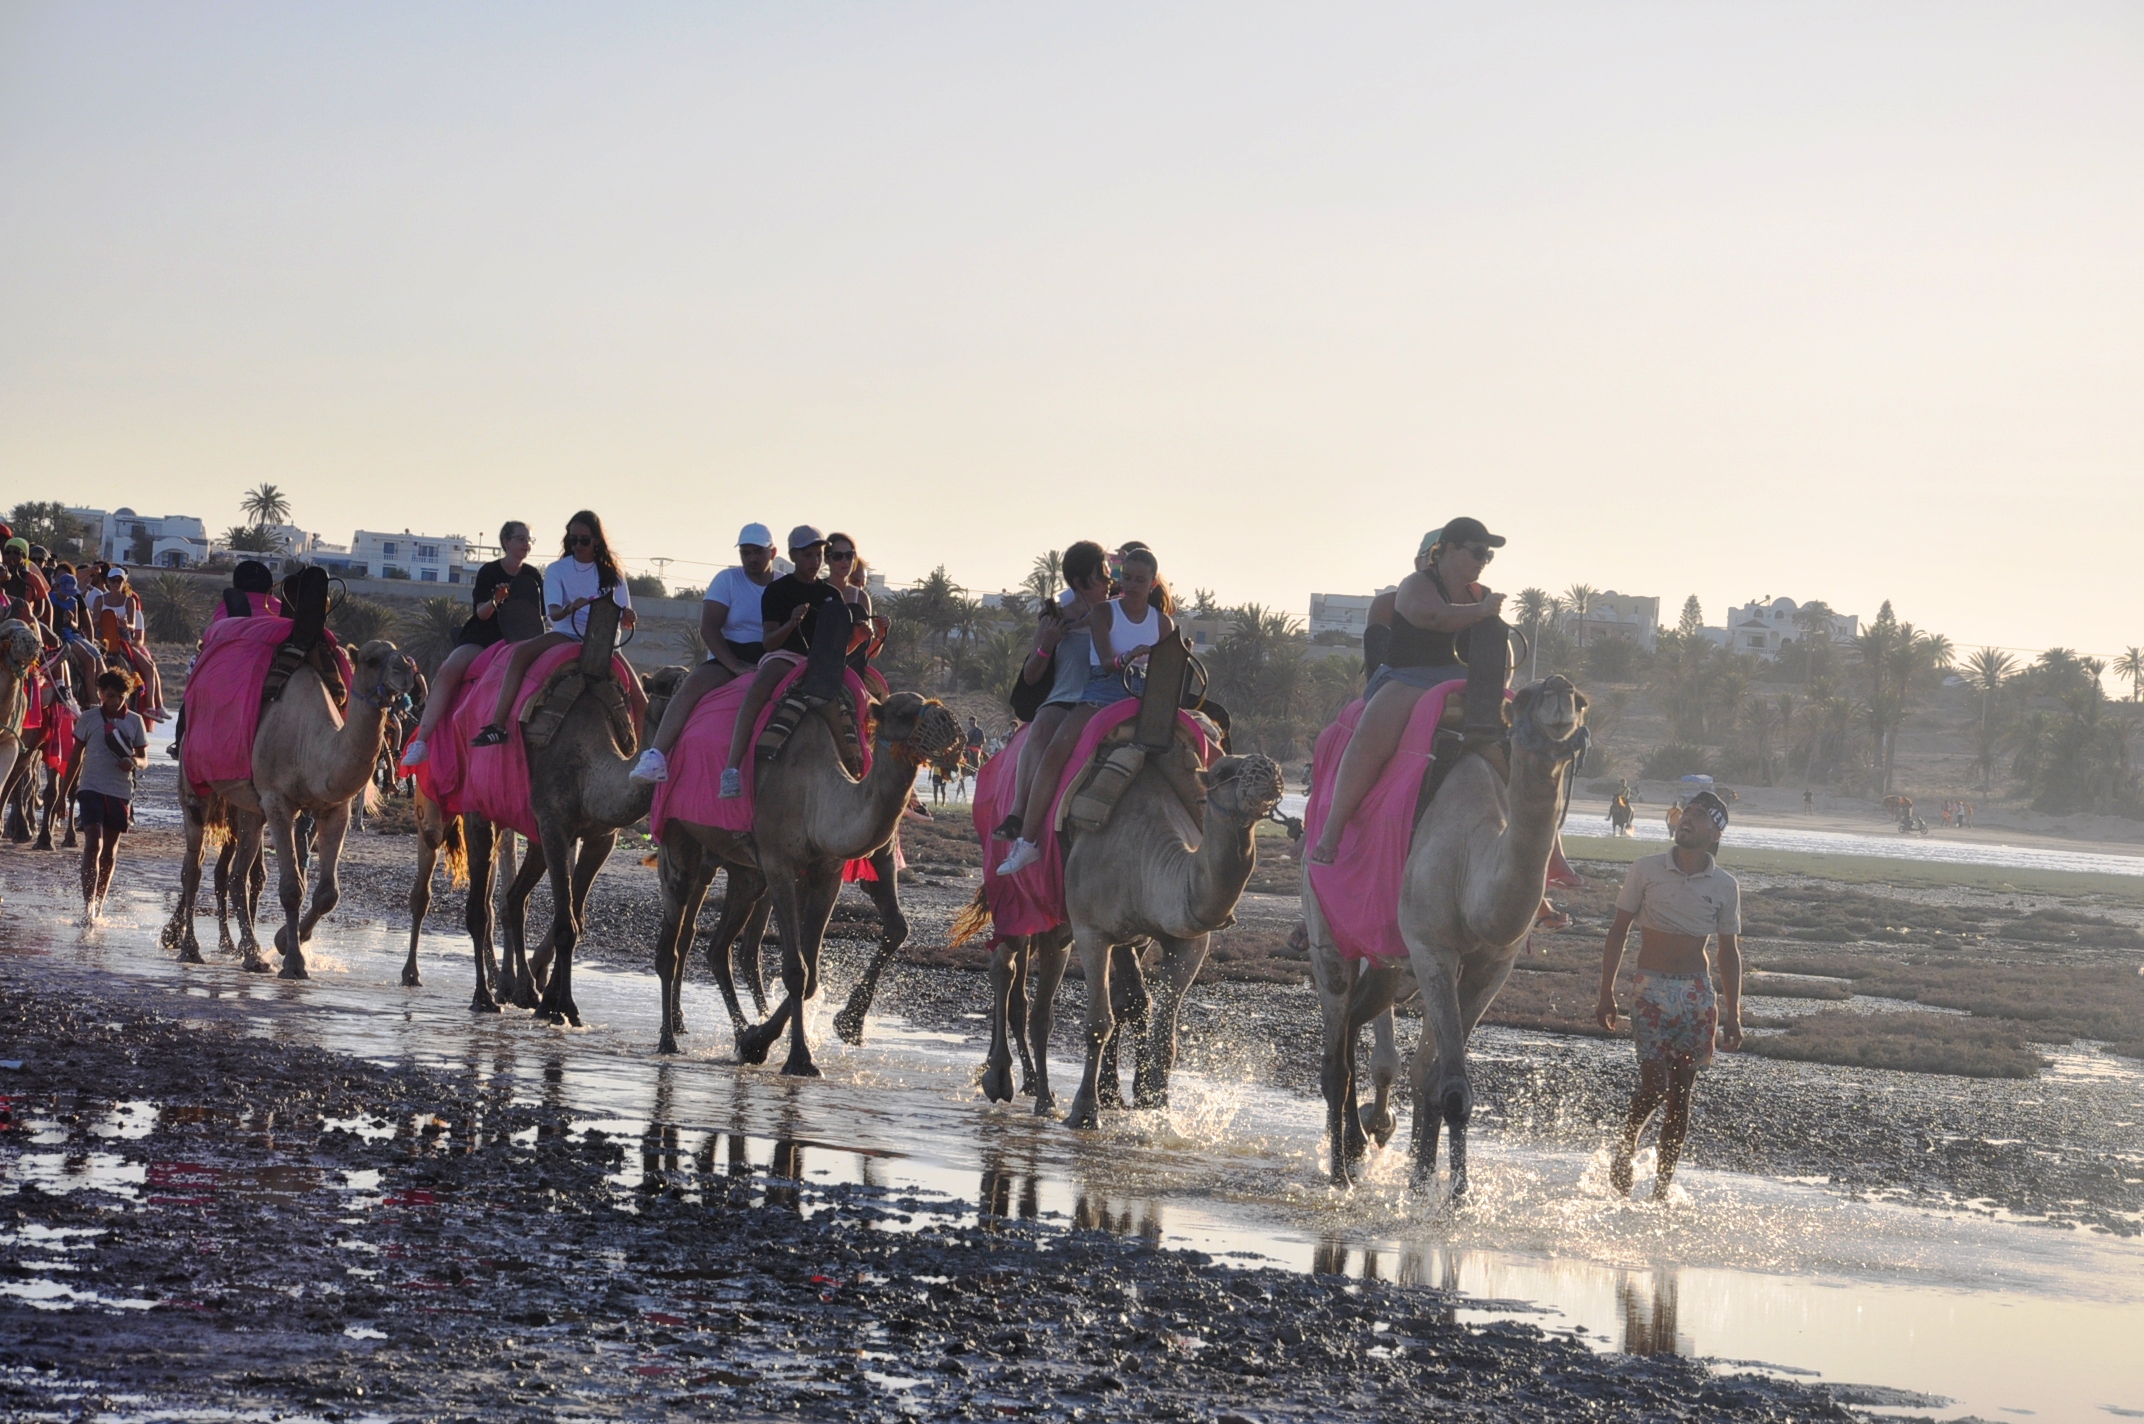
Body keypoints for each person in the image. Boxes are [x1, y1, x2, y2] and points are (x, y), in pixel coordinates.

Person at [1309, 520, 1504, 866]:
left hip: (1464, 680)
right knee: (1372, 735)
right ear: (1447, 550)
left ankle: (1546, 854)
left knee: (1524, 744)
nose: (1483, 560)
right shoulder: (1416, 585)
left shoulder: (1481, 594)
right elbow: (1431, 616)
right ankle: (1333, 830)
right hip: (1411, 677)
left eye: (1487, 554)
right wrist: (1481, 612)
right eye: (1477, 551)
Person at [1594, 790, 1742, 1200]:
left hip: (1697, 994)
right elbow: (1618, 932)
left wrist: (1733, 1013)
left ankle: (1661, 1189)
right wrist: (1606, 993)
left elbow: (1729, 953)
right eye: (1685, 814)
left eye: (1697, 817)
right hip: (1651, 989)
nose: (1686, 820)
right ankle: (1625, 1150)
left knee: (1682, 1093)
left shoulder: (1725, 885)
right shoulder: (1646, 869)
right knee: (1655, 1085)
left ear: (1714, 834)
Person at [997, 544, 1174, 876]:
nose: (1118, 583)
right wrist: (1049, 642)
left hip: (1142, 694)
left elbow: (1167, 666)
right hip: (1091, 693)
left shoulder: (1161, 623)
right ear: (1080, 582)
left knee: (1196, 740)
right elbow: (1105, 662)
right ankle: (1023, 826)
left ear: (1152, 583)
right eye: (1120, 577)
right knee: (1050, 741)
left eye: (1138, 579)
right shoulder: (1093, 614)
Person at [472, 511, 641, 747]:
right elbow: (553, 613)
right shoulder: (556, 570)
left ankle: (644, 754)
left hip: (605, 642)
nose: (578, 545)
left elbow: (624, 620)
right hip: (565, 634)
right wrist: (571, 607)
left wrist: (629, 618)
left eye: (584, 540)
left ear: (596, 540)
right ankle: (497, 725)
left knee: (640, 699)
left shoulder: (613, 575)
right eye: (573, 539)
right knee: (520, 654)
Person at [629, 523, 779, 784]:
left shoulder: (785, 584)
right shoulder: (728, 580)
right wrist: (735, 666)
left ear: (772, 553)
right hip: (729, 654)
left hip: (774, 657)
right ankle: (656, 755)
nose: (752, 558)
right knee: (692, 685)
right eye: (746, 552)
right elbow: (709, 629)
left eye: (758, 552)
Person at [992, 540, 1110, 846]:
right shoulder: (1055, 618)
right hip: (1065, 698)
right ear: (1081, 581)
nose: (1109, 583)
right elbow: (1031, 675)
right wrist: (1047, 645)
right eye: (1103, 576)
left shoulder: (1115, 615)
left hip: (1106, 699)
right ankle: (1018, 814)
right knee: (1043, 727)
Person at [718, 526, 845, 798]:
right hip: (785, 656)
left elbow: (839, 644)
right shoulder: (778, 591)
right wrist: (791, 623)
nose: (815, 562)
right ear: (793, 556)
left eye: (819, 555)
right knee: (757, 689)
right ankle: (731, 767)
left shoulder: (832, 595)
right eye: (808, 555)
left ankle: (856, 764)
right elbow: (769, 642)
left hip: (821, 662)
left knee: (859, 694)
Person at [402, 521, 542, 766]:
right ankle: (421, 741)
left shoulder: (533, 576)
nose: (526, 544)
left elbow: (538, 617)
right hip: (484, 637)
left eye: (529, 539)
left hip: (520, 640)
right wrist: (496, 600)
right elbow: (481, 613)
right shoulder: (489, 572)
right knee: (448, 672)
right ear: (506, 542)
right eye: (521, 539)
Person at [72, 668, 149, 918]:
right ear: (101, 694)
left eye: (121, 696)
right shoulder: (88, 718)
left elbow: (144, 759)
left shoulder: (135, 721)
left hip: (120, 791)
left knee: (110, 851)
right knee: (93, 843)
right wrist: (63, 795)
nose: (116, 701)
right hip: (90, 788)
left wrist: (134, 763)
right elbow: (75, 757)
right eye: (111, 696)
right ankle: (87, 908)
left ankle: (100, 905)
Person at [86, 567, 168, 719]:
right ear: (108, 582)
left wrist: (123, 624)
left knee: (149, 667)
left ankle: (151, 706)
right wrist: (104, 620)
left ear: (124, 583)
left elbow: (131, 624)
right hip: (101, 638)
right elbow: (93, 622)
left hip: (122, 639)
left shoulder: (129, 601)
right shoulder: (100, 599)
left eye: (119, 580)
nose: (116, 583)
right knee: (88, 660)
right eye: (113, 580)